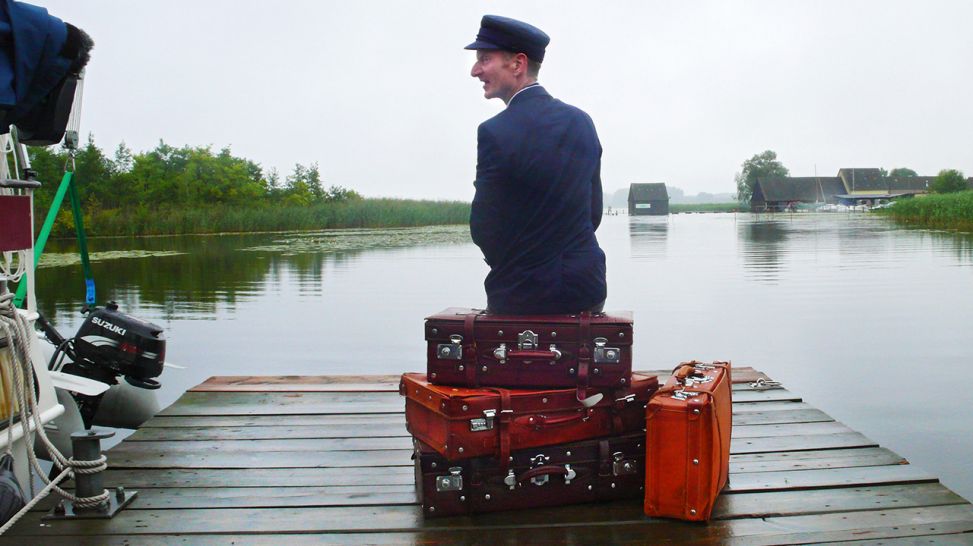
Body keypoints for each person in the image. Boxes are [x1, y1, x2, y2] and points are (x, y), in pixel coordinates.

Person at [466, 15, 606, 315]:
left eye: (484, 59)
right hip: (586, 288)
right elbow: (592, 213)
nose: (475, 70)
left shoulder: (494, 132)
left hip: (520, 293)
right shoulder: (582, 122)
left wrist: (518, 265)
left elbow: (483, 227)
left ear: (517, 64)